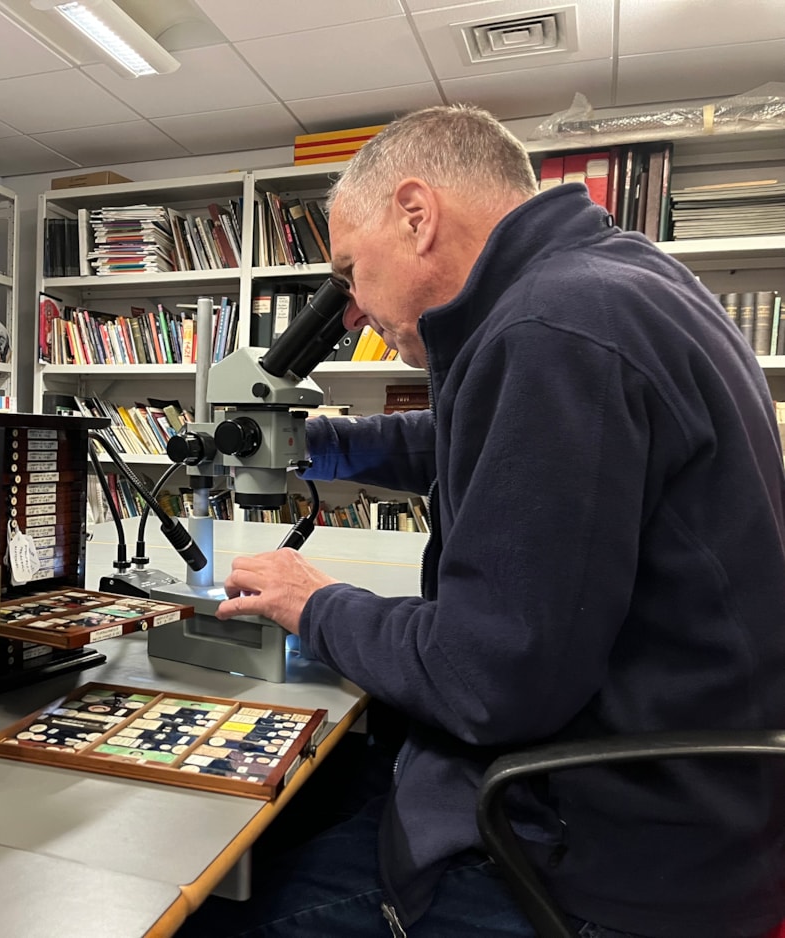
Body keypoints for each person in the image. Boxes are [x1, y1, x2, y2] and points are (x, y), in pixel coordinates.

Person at [181, 104, 785, 937]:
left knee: (216, 911)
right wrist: (314, 444)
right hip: (685, 812)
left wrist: (311, 602)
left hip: (586, 854)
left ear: (417, 216)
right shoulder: (611, 282)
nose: (349, 310)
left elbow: (482, 678)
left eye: (351, 271)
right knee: (324, 792)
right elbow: (475, 435)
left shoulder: (552, 331)